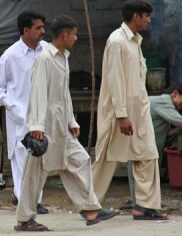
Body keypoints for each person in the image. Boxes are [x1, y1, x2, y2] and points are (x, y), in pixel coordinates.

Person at [14, 15, 119, 232]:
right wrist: (36, 127)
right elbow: (38, 93)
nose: (76, 38)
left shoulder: (63, 57)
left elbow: (64, 94)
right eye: (74, 34)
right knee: (34, 175)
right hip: (44, 129)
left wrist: (71, 120)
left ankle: (90, 209)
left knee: (80, 161)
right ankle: (24, 219)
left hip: (61, 128)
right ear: (64, 35)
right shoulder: (45, 59)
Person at [92, 0, 169, 220]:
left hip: (139, 111)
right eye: (146, 16)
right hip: (120, 113)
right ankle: (89, 204)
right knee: (107, 157)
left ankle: (144, 206)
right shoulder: (117, 41)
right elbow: (116, 81)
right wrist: (122, 114)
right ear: (136, 17)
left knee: (147, 154)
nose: (149, 21)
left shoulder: (135, 41)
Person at [0, 10, 49, 214]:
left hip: (42, 117)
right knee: (23, 159)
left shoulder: (47, 51)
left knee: (40, 159)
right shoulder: (11, 55)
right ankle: (26, 202)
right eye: (38, 28)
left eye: (43, 27)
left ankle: (32, 200)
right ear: (26, 30)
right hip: (20, 117)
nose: (43, 31)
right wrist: (12, 106)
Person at [126, 83, 182, 206]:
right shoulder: (164, 101)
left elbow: (164, 131)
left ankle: (146, 205)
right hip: (139, 144)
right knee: (140, 177)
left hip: (144, 145)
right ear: (174, 93)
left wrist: (176, 131)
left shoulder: (166, 107)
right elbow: (181, 121)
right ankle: (141, 206)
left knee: (145, 177)